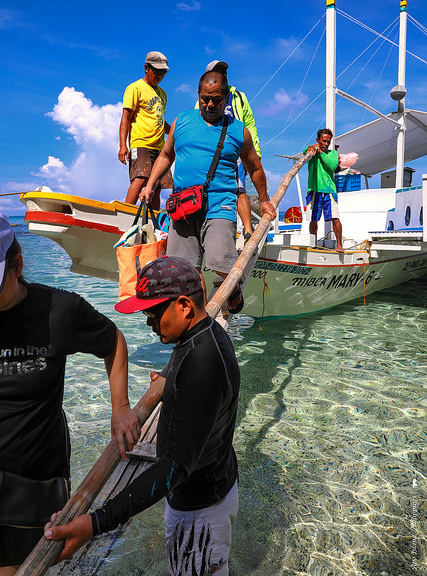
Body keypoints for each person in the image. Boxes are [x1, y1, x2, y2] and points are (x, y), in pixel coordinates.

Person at [45, 256, 241, 576]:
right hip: (214, 485)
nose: (149, 324)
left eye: (152, 313)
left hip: (199, 513)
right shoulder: (205, 336)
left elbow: (173, 468)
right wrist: (169, 381)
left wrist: (95, 523)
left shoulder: (201, 364)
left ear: (183, 306)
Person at [0, 213, 140, 575]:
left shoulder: (59, 310)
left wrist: (121, 407)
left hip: (36, 483)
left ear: (17, 266)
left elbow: (113, 341)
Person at [143, 70, 276, 314]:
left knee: (220, 260)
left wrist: (265, 201)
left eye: (216, 99)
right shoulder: (181, 121)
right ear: (198, 95)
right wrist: (149, 185)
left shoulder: (238, 130)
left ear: (226, 97)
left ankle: (232, 288)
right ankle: (198, 318)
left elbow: (255, 168)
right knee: (182, 272)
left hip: (220, 205)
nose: (210, 104)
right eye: (205, 98)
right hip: (182, 206)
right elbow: (165, 155)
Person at [196, 60, 262, 242]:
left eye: (223, 71)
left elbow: (249, 123)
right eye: (216, 71)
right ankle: (208, 229)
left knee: (239, 188)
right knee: (211, 189)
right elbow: (198, 124)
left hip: (236, 150)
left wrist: (255, 150)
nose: (221, 74)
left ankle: (248, 230)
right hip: (213, 151)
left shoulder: (239, 96)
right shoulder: (203, 99)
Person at [118, 51, 173, 208]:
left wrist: (175, 133)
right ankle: (126, 212)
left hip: (159, 147)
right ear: (146, 68)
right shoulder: (135, 88)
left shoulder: (162, 94)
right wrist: (123, 145)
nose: (160, 75)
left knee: (156, 184)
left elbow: (160, 120)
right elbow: (126, 117)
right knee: (141, 177)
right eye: (157, 71)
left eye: (163, 72)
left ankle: (152, 220)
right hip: (141, 143)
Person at [304, 128, 344, 252]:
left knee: (335, 218)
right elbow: (306, 151)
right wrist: (311, 147)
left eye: (328, 141)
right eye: (323, 141)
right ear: (318, 140)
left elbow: (332, 166)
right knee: (313, 219)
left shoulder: (333, 154)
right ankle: (313, 244)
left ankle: (339, 245)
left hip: (329, 190)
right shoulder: (312, 151)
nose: (326, 144)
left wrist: (320, 152)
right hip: (314, 190)